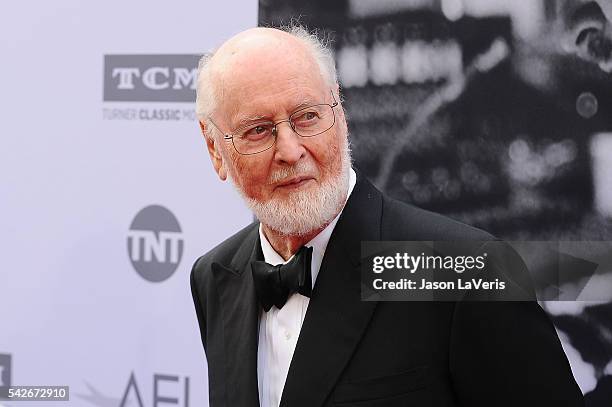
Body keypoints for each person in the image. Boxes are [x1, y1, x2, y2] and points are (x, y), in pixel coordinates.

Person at [190, 25, 584, 407]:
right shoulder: (215, 276)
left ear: (340, 114)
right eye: (258, 130)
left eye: (308, 116)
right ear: (214, 149)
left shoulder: (465, 272)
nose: (291, 150)